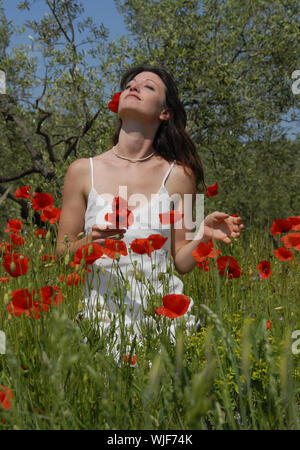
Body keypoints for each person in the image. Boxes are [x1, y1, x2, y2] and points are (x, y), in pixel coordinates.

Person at [55, 64, 244, 345]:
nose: (133, 86)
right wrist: (91, 243)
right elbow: (60, 256)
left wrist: (203, 235)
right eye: (130, 83)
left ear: (164, 113)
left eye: (148, 86)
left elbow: (181, 261)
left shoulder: (182, 174)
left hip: (166, 327)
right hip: (101, 326)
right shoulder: (82, 171)